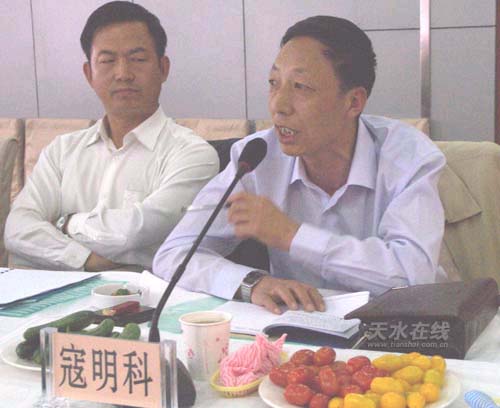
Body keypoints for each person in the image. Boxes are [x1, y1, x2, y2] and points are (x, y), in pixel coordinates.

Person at [153, 16, 447, 314]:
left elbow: (413, 277)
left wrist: (292, 235)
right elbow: (174, 254)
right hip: (300, 328)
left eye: (301, 87)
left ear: (354, 102)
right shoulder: (257, 158)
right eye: (274, 83)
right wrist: (251, 283)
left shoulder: (408, 157)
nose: (278, 106)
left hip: (400, 326)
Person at [4, 1, 219, 272]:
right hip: (57, 295)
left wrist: (65, 223)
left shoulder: (193, 154)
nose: (123, 74)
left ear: (163, 68)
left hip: (146, 296)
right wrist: (85, 259)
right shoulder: (62, 151)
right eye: (107, 61)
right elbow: (17, 228)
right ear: (89, 74)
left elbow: (134, 231)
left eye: (137, 59)